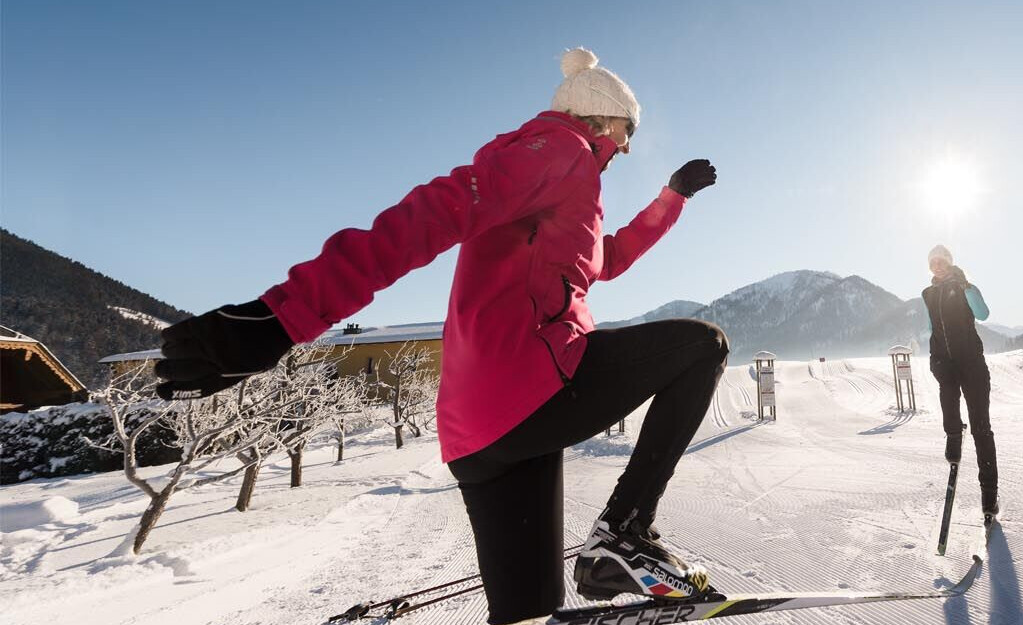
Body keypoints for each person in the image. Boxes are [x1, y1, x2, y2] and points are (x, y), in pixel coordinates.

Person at [152, 48, 725, 624]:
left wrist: (670, 198)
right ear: (603, 117)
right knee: (702, 346)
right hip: (532, 384)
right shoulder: (558, 150)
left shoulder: (561, 180)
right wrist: (285, 317)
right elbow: (433, 213)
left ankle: (610, 548)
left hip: (480, 433)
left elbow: (607, 260)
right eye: (628, 132)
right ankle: (625, 531)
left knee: (527, 613)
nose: (627, 148)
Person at [921, 245, 999, 525]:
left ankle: (989, 496)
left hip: (972, 365)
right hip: (946, 362)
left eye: (942, 261)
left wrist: (967, 287)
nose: (938, 266)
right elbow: (932, 327)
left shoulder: (966, 287)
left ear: (950, 263)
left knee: (981, 429)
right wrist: (934, 358)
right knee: (947, 396)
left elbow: (983, 314)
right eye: (933, 263)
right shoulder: (927, 294)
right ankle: (953, 434)